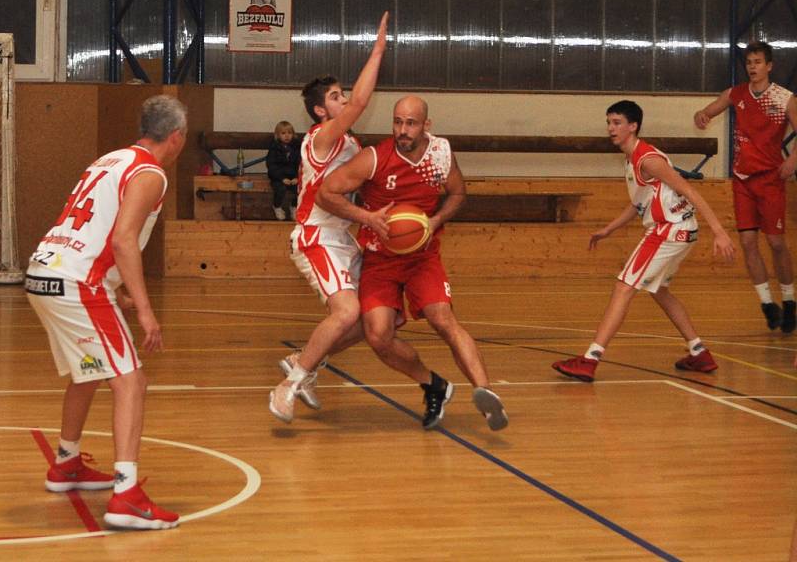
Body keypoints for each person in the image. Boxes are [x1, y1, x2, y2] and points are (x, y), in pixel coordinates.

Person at [25, 95, 186, 530]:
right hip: (79, 282)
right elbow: (122, 240)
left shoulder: (110, 159)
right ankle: (127, 495)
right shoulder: (151, 173)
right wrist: (148, 312)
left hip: (44, 272)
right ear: (177, 137)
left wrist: (122, 293)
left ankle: (66, 462)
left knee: (90, 370)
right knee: (131, 380)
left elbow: (97, 232)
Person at [314, 95, 509, 431]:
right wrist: (367, 217)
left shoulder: (440, 155)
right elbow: (325, 193)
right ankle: (433, 384)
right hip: (381, 260)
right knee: (378, 335)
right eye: (397, 122)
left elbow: (459, 194)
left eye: (411, 123)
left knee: (443, 319)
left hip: (422, 256)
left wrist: (435, 221)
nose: (402, 130)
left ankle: (486, 394)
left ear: (426, 126)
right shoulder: (374, 158)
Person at [552, 100, 736, 382]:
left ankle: (589, 360)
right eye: (608, 123)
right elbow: (638, 204)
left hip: (667, 230)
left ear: (633, 126)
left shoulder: (648, 159)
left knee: (623, 287)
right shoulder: (632, 159)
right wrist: (608, 229)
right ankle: (699, 352)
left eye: (616, 123)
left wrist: (720, 232)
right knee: (658, 290)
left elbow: (690, 190)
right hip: (682, 231)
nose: (610, 128)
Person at [269, 12, 389, 423]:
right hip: (316, 235)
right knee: (346, 313)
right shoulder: (320, 137)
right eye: (337, 96)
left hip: (343, 237)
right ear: (321, 111)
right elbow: (361, 103)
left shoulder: (349, 143)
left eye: (342, 94)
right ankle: (290, 384)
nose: (346, 99)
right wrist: (377, 52)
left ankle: (303, 361)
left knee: (378, 316)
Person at [694, 41, 797, 333]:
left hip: (770, 179)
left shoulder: (784, 98)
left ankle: (789, 301)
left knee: (776, 243)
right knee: (748, 243)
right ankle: (767, 304)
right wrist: (701, 115)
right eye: (749, 62)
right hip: (742, 180)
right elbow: (708, 110)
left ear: (769, 66)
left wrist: (793, 161)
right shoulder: (736, 93)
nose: (752, 67)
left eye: (758, 62)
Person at [265, 120, 301, 221]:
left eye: (289, 133)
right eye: (283, 133)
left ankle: (294, 206)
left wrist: (297, 177)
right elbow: (271, 165)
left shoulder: (297, 147)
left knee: (301, 189)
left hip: (293, 176)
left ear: (293, 134)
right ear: (277, 135)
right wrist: (282, 178)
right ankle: (277, 206)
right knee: (280, 189)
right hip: (278, 177)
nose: (287, 136)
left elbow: (300, 164)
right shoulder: (274, 148)